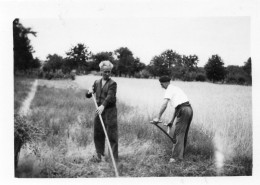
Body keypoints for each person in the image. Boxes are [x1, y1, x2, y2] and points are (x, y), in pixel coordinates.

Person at [153, 76, 193, 163]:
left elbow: (164, 104)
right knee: (183, 134)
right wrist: (171, 121)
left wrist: (158, 117)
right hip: (188, 109)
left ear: (166, 82)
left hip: (183, 110)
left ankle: (175, 158)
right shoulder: (176, 88)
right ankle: (181, 156)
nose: (161, 86)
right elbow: (177, 107)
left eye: (162, 84)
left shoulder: (169, 90)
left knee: (179, 134)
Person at [85, 60, 118, 163]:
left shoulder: (113, 83)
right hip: (99, 111)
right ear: (101, 71)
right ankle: (100, 155)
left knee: (112, 135)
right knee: (98, 133)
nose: (107, 74)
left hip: (109, 111)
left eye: (109, 71)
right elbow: (89, 95)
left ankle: (114, 158)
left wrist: (103, 106)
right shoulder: (96, 82)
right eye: (105, 71)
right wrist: (89, 92)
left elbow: (110, 96)